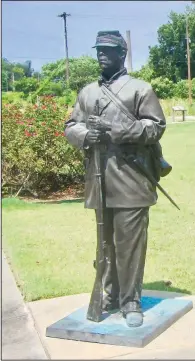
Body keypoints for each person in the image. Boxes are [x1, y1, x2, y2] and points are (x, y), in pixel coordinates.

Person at [65, 30, 166, 327]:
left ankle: (130, 300)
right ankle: (107, 294)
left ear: (122, 53)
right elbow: (71, 125)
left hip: (132, 179)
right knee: (105, 244)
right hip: (100, 180)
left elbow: (155, 126)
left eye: (108, 50)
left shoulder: (140, 89)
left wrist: (116, 131)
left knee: (129, 244)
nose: (101, 54)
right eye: (99, 49)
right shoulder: (87, 93)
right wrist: (86, 135)